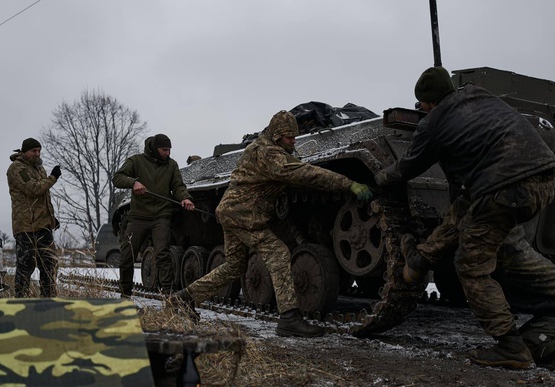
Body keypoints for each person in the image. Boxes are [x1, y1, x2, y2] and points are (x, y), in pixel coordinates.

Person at [374, 65, 555, 369]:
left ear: (429, 101)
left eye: (421, 103)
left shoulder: (433, 122)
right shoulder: (478, 94)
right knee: (464, 210)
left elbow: (407, 167)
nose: (420, 108)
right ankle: (420, 260)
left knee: (471, 265)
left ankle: (510, 346)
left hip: (504, 187)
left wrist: (379, 179)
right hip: (544, 179)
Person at [172, 111, 373, 338]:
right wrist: (348, 185)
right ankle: (289, 318)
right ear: (277, 136)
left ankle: (184, 298)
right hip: (244, 214)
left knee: (235, 266)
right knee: (278, 253)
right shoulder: (268, 154)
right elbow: (304, 173)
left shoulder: (265, 148)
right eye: (289, 137)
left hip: (233, 212)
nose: (294, 140)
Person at [406, 197, 555, 369]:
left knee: (527, 349)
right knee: (534, 341)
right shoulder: (501, 238)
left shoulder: (491, 250)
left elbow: (453, 263)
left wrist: (415, 254)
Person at [113, 133, 195, 297]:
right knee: (127, 255)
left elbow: (178, 186)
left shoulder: (171, 165)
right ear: (154, 148)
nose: (167, 153)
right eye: (164, 150)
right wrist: (133, 182)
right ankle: (125, 295)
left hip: (161, 216)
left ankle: (169, 296)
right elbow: (117, 178)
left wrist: (185, 198)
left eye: (169, 150)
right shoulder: (136, 161)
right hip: (138, 216)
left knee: (163, 255)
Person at [7, 137, 61, 298]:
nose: (37, 154)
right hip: (26, 226)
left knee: (49, 264)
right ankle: (21, 300)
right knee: (26, 266)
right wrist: (53, 178)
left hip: (43, 225)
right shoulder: (17, 168)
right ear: (25, 152)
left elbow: (43, 197)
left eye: (39, 151)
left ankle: (48, 300)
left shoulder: (39, 169)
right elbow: (33, 189)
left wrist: (51, 218)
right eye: (33, 151)